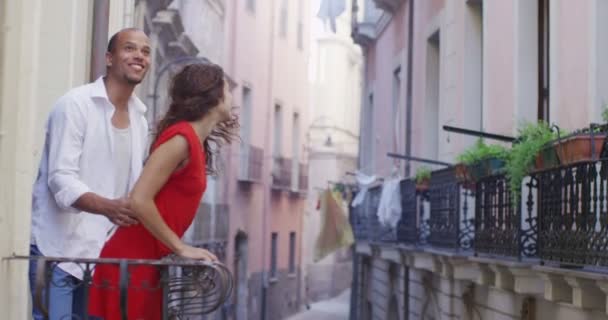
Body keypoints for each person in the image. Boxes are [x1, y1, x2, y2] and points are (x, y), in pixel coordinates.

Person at [88, 62, 239, 319]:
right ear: (213, 96)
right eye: (227, 88)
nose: (232, 96)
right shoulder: (181, 139)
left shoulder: (194, 143)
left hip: (149, 264)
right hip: (131, 263)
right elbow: (139, 199)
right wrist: (180, 247)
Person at [29, 28, 151, 319]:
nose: (139, 56)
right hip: (56, 251)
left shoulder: (140, 118)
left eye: (145, 52)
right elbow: (61, 179)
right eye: (130, 48)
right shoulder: (75, 105)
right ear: (109, 58)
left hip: (98, 256)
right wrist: (108, 207)